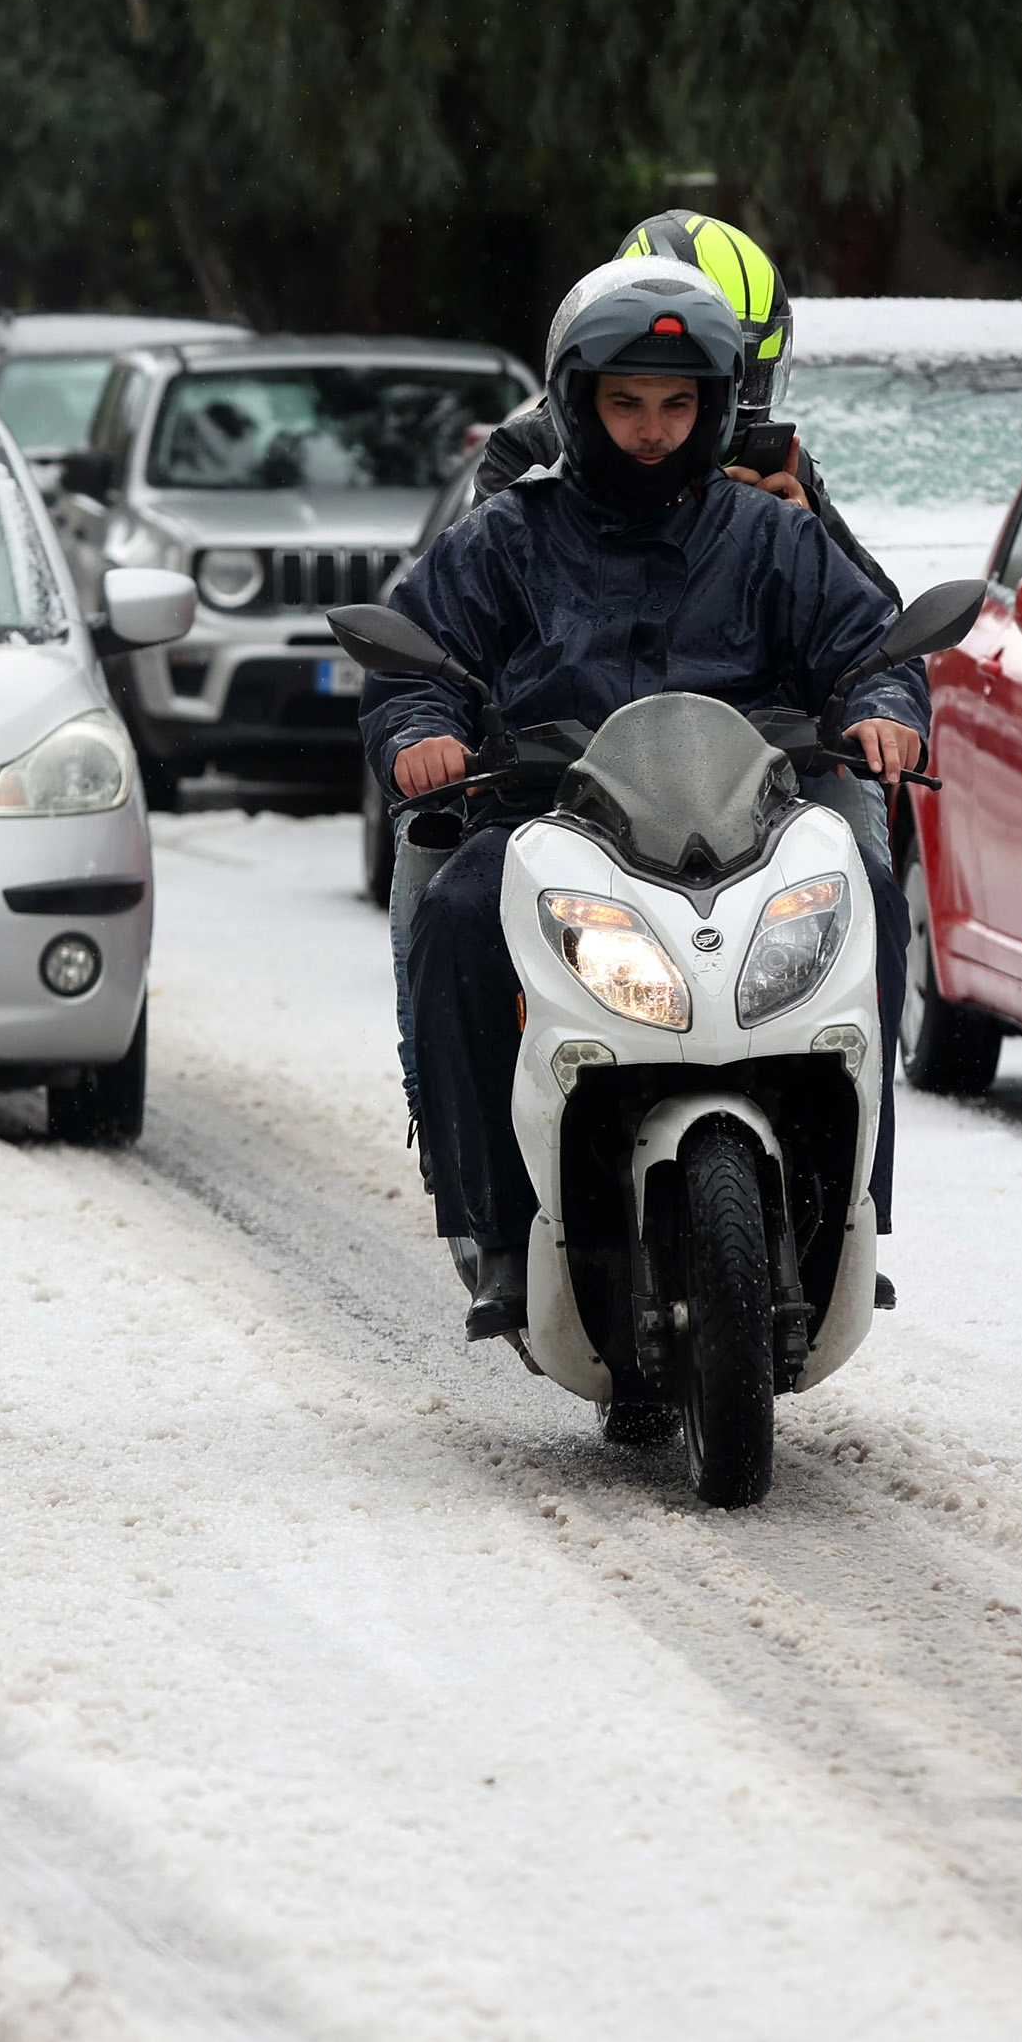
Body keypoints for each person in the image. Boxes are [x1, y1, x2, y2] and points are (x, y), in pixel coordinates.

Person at [370, 258, 923, 1341]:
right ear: (576, 403)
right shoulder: (507, 534)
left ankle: (855, 1202)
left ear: (715, 407)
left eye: (677, 404)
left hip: (749, 826)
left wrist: (881, 706)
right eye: (626, 403)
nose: (653, 429)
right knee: (455, 913)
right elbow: (416, 656)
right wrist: (419, 731)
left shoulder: (773, 534)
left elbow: (869, 643)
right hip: (551, 825)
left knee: (867, 887)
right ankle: (496, 1224)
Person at [467, 208, 898, 605]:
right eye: (628, 401)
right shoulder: (532, 451)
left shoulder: (782, 473)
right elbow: (489, 606)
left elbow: (881, 632)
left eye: (746, 378)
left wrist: (805, 544)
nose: (654, 430)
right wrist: (691, 524)